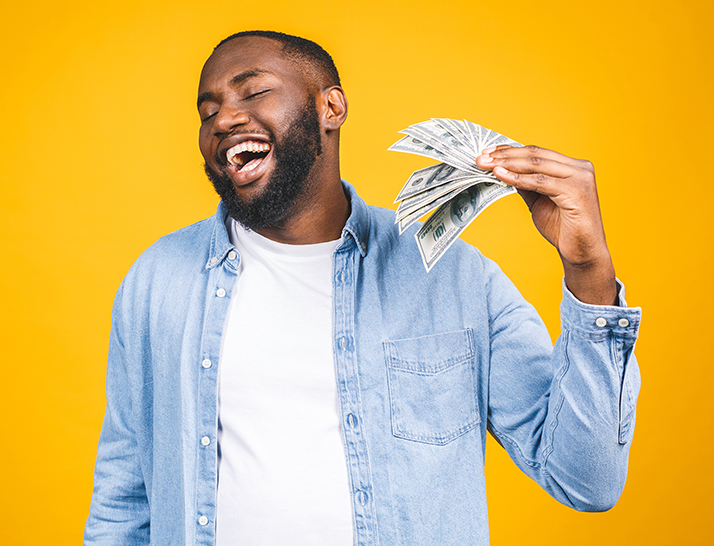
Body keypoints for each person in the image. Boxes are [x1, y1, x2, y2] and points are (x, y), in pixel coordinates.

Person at [84, 30, 641, 546]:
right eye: (208, 112)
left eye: (252, 93)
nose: (224, 119)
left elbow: (586, 482)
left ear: (331, 107)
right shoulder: (159, 279)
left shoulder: (454, 278)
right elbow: (123, 501)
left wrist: (588, 271)